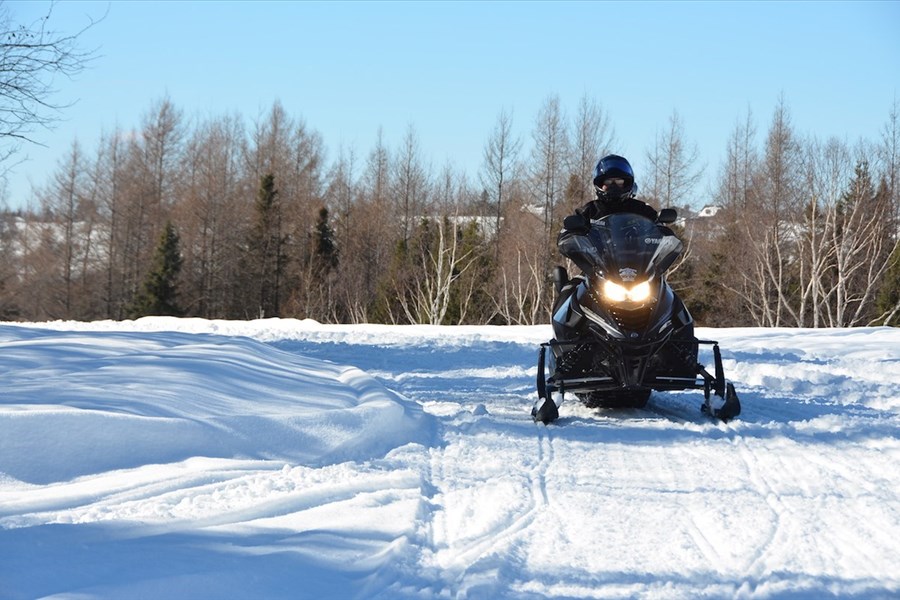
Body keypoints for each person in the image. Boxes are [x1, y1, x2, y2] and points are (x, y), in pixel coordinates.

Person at [562, 154, 657, 233]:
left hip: (637, 255)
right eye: (608, 182)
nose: (614, 186)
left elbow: (660, 228)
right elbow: (566, 235)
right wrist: (572, 232)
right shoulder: (590, 211)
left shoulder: (641, 210)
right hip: (598, 255)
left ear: (627, 183)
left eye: (619, 181)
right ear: (600, 184)